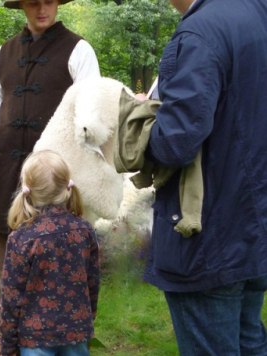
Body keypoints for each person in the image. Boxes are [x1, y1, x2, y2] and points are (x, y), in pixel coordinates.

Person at [141, 0, 267, 354]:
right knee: (250, 341)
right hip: (253, 231)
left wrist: (138, 123)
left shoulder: (200, 32)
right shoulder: (256, 12)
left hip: (210, 240)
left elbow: (175, 143)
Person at [0, 1, 100, 354]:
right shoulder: (3, 52)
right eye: (33, 1)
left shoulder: (79, 49)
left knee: (63, 271)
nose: (41, 8)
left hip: (57, 181)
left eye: (48, 0)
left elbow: (91, 114)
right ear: (21, 5)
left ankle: (69, 338)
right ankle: (3, 341)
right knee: (7, 269)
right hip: (8, 176)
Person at [0, 150, 100, 356]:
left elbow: (11, 297)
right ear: (66, 186)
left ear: (28, 188)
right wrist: (88, 322)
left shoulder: (21, 238)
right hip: (76, 332)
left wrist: (8, 346)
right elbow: (93, 283)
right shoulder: (84, 230)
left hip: (35, 339)